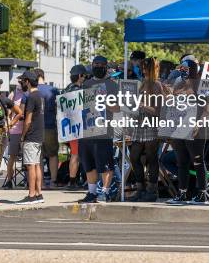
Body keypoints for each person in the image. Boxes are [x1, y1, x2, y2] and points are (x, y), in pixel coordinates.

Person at [167, 59, 209, 205]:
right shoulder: (178, 85)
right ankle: (182, 193)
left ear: (194, 69)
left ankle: (202, 193)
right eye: (182, 69)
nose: (183, 72)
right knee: (181, 162)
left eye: (187, 69)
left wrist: (200, 124)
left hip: (195, 129)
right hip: (178, 129)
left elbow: (208, 110)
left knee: (198, 161)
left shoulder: (201, 86)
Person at [79, 56, 120, 203]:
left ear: (106, 66)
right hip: (87, 130)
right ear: (92, 65)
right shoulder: (87, 83)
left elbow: (116, 108)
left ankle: (105, 192)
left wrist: (103, 102)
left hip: (104, 131)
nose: (98, 66)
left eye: (102, 64)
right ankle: (92, 193)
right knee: (88, 164)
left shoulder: (112, 85)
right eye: (96, 64)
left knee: (105, 164)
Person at [129, 57, 164, 202]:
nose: (142, 70)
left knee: (151, 158)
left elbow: (159, 110)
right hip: (140, 124)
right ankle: (140, 188)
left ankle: (151, 190)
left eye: (145, 67)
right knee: (134, 157)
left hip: (151, 125)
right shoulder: (142, 83)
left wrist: (143, 106)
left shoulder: (156, 85)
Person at [16, 71, 45, 204]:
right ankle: (39, 193)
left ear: (27, 81)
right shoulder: (40, 95)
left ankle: (31, 195)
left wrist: (22, 136)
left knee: (30, 166)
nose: (22, 82)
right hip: (39, 135)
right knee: (37, 165)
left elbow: (27, 120)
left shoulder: (31, 96)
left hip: (31, 135)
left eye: (23, 80)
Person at [34, 68, 60, 188]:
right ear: (43, 76)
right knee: (53, 154)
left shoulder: (32, 91)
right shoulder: (53, 90)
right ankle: (54, 181)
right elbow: (58, 108)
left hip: (36, 128)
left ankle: (41, 183)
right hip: (50, 126)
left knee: (38, 156)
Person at [64, 64, 87, 189]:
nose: (84, 78)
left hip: (68, 127)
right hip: (79, 126)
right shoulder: (78, 90)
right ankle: (73, 182)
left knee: (74, 154)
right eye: (84, 76)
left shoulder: (66, 89)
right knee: (77, 155)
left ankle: (73, 181)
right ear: (79, 76)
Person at [2, 78, 26, 189]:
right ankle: (9, 181)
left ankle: (27, 180)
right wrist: (9, 124)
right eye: (20, 82)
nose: (20, 84)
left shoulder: (30, 93)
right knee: (12, 156)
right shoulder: (14, 94)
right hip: (15, 130)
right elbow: (8, 112)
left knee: (27, 157)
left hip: (27, 129)